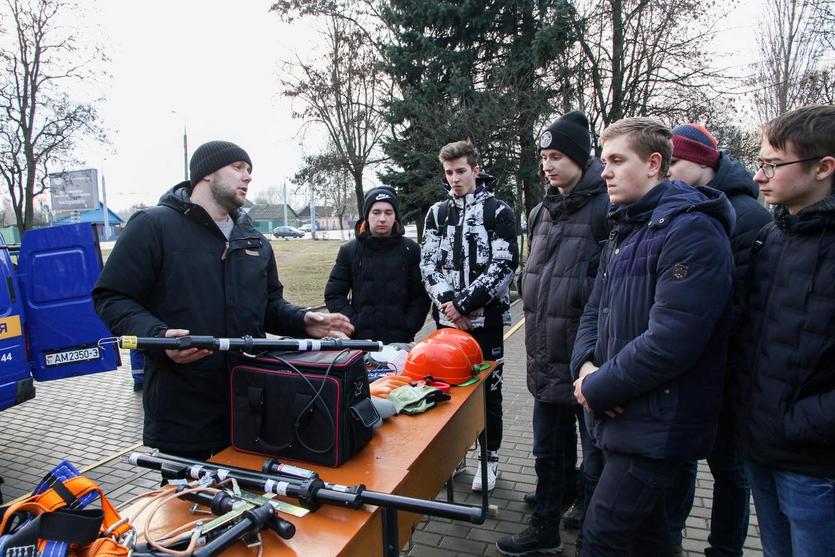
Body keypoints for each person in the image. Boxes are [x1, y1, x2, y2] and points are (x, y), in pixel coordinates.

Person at [93, 140, 353, 461]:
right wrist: (158, 337)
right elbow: (112, 297)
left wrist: (303, 321)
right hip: (186, 415)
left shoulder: (254, 239)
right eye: (238, 168)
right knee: (191, 507)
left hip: (252, 405)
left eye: (249, 171)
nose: (247, 177)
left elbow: (269, 307)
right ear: (206, 174)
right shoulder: (153, 226)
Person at [571, 118, 734, 556]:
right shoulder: (628, 228)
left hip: (657, 428)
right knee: (650, 542)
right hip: (614, 418)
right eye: (603, 161)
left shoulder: (691, 230)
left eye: (617, 160)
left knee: (602, 538)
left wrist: (598, 386)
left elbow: (673, 340)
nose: (604, 171)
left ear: (654, 163)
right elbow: (593, 311)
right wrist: (585, 366)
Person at [497, 111, 608, 556]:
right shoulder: (542, 210)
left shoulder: (606, 208)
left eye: (557, 155)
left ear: (581, 159)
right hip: (544, 353)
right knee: (548, 449)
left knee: (595, 455)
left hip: (584, 359)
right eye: (543, 157)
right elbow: (533, 273)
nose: (548, 164)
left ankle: (584, 523)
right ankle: (549, 515)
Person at [665, 124, 772, 557]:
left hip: (730, 373)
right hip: (692, 369)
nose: (666, 170)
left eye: (674, 162)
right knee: (682, 462)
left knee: (729, 470)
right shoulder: (684, 207)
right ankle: (670, 536)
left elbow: (749, 304)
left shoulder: (747, 217)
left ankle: (724, 549)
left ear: (704, 163)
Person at [734, 104, 835, 557]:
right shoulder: (772, 238)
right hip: (761, 444)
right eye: (760, 164)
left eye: (773, 165)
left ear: (823, 168)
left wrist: (798, 424)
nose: (759, 176)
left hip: (815, 463)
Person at [420, 139, 519, 493]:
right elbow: (428, 263)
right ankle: (456, 455)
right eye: (448, 173)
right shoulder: (436, 213)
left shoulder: (499, 212)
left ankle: (489, 460)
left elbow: (504, 265)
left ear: (475, 169)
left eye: (461, 171)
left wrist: (464, 305)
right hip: (447, 325)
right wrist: (449, 304)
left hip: (487, 325)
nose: (455, 179)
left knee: (488, 394)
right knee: (448, 391)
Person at [324, 186, 430, 344]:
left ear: (395, 216)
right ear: (367, 215)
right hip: (361, 342)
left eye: (388, 212)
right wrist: (353, 324)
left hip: (400, 342)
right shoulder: (349, 251)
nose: (382, 218)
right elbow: (334, 294)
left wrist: (408, 325)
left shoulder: (411, 250)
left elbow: (421, 296)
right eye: (376, 212)